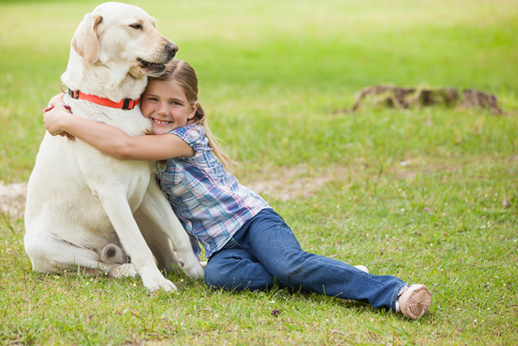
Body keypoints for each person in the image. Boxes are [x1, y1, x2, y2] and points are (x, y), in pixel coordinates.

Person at [43, 58, 432, 320]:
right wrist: (66, 102)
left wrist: (63, 120)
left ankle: (393, 292)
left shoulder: (185, 137)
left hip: (251, 222)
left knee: (287, 264)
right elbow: (114, 130)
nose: (163, 111)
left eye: (175, 103)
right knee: (218, 279)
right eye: (153, 101)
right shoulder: (146, 131)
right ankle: (323, 274)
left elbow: (121, 147)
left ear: (193, 110)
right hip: (220, 248)